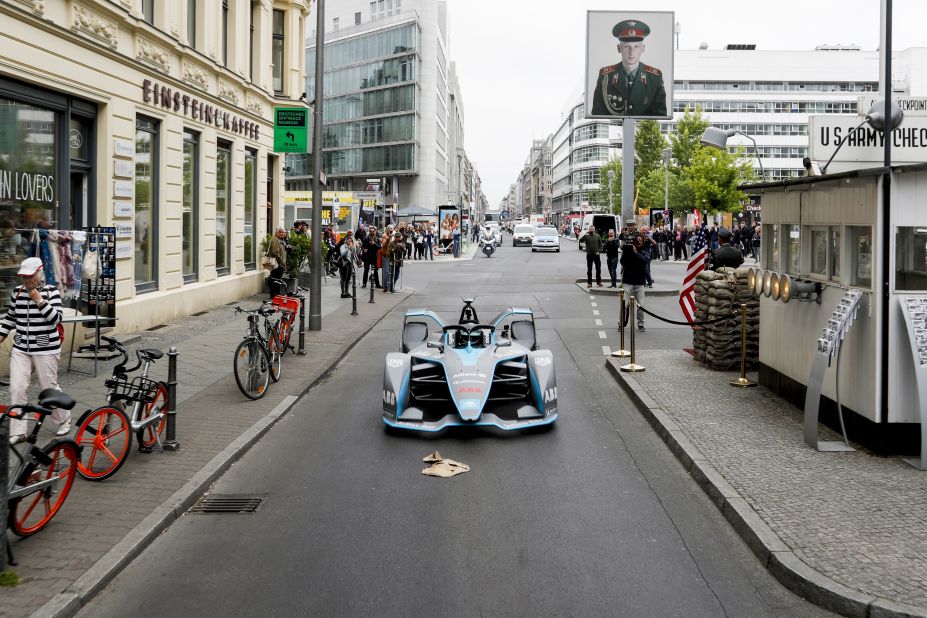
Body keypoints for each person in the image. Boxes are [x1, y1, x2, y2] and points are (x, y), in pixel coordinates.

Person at [1, 257, 67, 444]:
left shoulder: (51, 291)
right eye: (24, 277)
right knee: (17, 387)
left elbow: (56, 319)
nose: (27, 281)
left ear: (39, 273)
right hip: (21, 347)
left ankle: (63, 419)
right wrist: (1, 335)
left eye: (30, 276)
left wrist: (40, 301)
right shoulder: (17, 292)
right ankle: (18, 431)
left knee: (49, 388)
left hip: (46, 347)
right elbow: (10, 318)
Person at [591, 20, 667, 117]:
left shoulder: (655, 77)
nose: (631, 52)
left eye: (636, 46)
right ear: (619, 48)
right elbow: (598, 114)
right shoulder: (606, 76)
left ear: (643, 48)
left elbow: (660, 117)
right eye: (627, 46)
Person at [620, 234, 649, 332]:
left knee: (641, 304)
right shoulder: (629, 250)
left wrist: (636, 252)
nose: (640, 242)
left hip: (639, 282)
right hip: (628, 280)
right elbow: (622, 262)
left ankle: (640, 324)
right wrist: (626, 251)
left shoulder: (645, 251)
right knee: (624, 303)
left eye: (641, 240)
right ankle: (621, 323)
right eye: (638, 240)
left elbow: (645, 261)